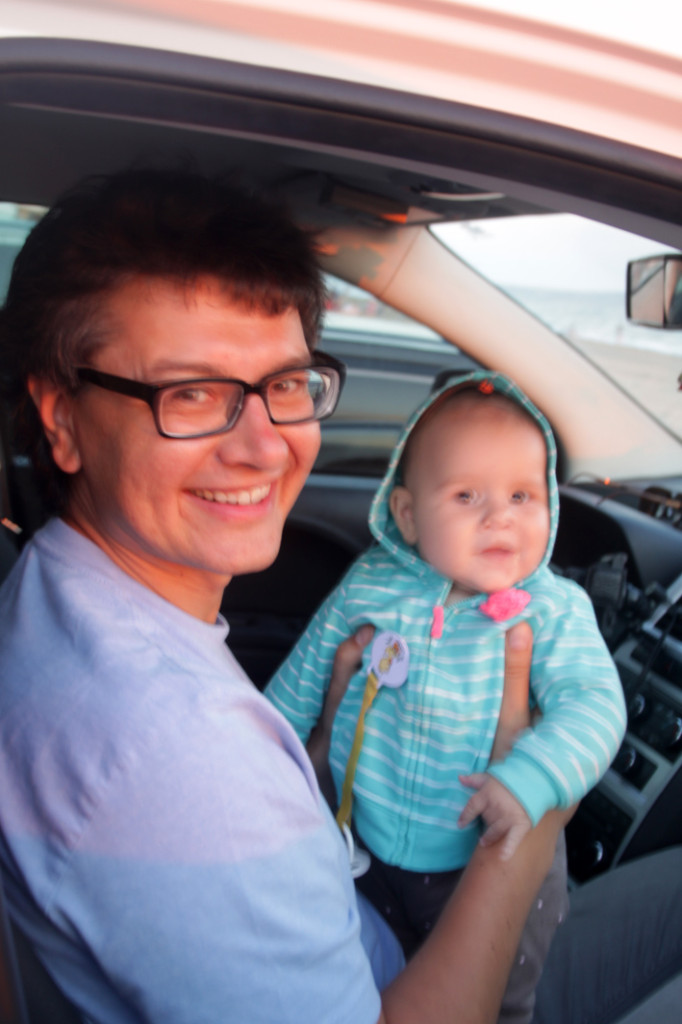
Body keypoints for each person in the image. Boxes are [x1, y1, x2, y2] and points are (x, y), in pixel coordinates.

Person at [0, 167, 570, 1024]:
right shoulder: (180, 753)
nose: (266, 448)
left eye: (287, 385)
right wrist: (534, 811)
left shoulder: (55, 585)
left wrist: (314, 757)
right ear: (62, 420)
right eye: (192, 393)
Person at [266, 372, 628, 1021]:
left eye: (522, 495)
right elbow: (304, 678)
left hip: (486, 852)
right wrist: (259, 756)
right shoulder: (371, 584)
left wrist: (532, 778)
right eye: (467, 495)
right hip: (363, 839)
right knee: (375, 967)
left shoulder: (552, 610)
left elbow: (595, 705)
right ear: (407, 514)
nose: (500, 517)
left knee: (499, 995)